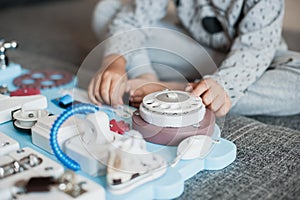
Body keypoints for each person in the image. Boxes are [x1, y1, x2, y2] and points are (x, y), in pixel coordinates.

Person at [88, 0, 300, 117]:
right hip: (198, 50)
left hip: (256, 59)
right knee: (108, 11)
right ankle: (147, 79)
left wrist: (224, 84)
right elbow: (135, 17)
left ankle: (176, 92)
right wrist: (114, 61)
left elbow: (256, 49)